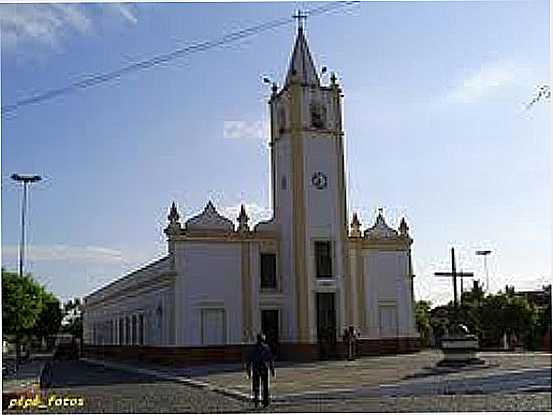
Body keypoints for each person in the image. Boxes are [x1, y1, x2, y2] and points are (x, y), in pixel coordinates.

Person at [246, 333, 275, 408]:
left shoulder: (253, 348)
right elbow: (270, 360)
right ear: (263, 339)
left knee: (256, 386)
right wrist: (272, 370)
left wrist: (248, 371)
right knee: (265, 386)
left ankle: (256, 401)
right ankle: (265, 402)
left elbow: (249, 361)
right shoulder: (266, 347)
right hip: (264, 368)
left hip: (256, 368)